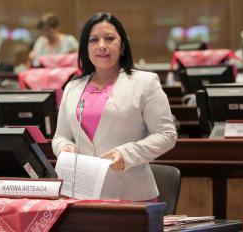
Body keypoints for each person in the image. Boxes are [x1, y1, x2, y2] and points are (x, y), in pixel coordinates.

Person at [52, 13, 177, 201]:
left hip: (131, 195)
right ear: (86, 49)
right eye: (94, 40)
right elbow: (60, 136)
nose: (102, 45)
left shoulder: (145, 82)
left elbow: (167, 135)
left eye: (110, 38)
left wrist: (126, 154)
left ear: (123, 45)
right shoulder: (72, 86)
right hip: (77, 195)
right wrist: (65, 147)